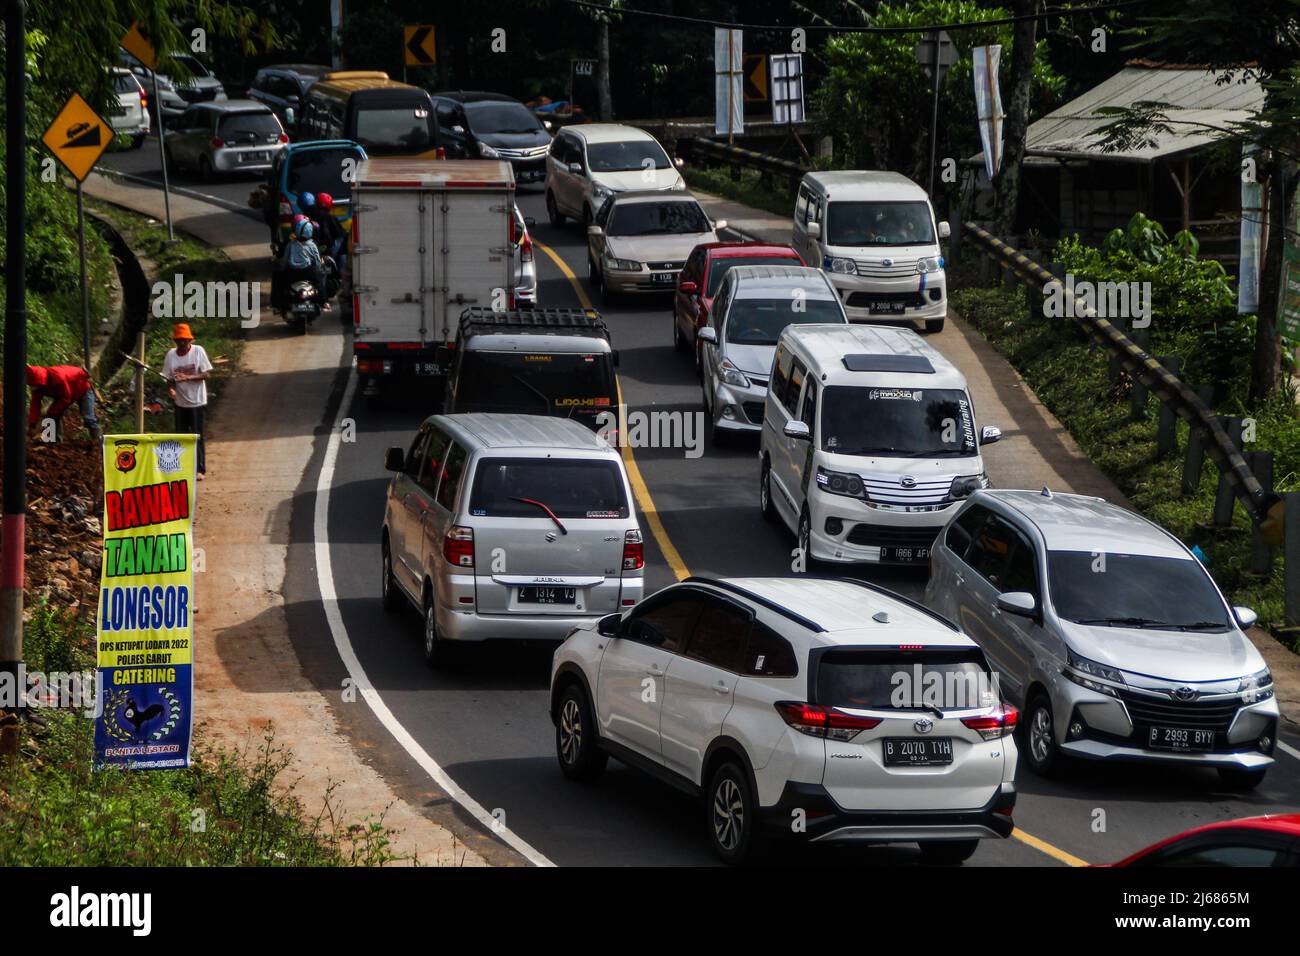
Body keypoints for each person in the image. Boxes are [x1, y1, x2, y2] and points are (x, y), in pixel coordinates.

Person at [162, 323, 213, 480]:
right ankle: (184, 467)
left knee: (197, 435)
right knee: (181, 435)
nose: (182, 344)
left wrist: (188, 377)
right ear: (175, 341)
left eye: (185, 340)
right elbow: (168, 378)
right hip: (180, 402)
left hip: (196, 401)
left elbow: (206, 374)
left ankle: (200, 469)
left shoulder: (198, 351)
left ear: (190, 340)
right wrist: (171, 389)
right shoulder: (171, 355)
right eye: (179, 341)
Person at [27, 365, 100, 441]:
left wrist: (53, 411)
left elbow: (66, 398)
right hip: (64, 394)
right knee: (52, 416)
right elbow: (35, 405)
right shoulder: (37, 386)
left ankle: (97, 441)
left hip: (83, 389)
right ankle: (54, 441)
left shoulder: (57, 377)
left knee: (89, 418)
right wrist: (32, 424)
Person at [276, 218, 328, 311]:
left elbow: (284, 261)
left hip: (292, 273)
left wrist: (282, 269)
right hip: (308, 272)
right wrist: (318, 271)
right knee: (319, 283)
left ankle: (278, 304)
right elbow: (316, 262)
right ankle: (324, 303)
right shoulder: (312, 245)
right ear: (310, 231)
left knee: (281, 285)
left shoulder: (290, 245)